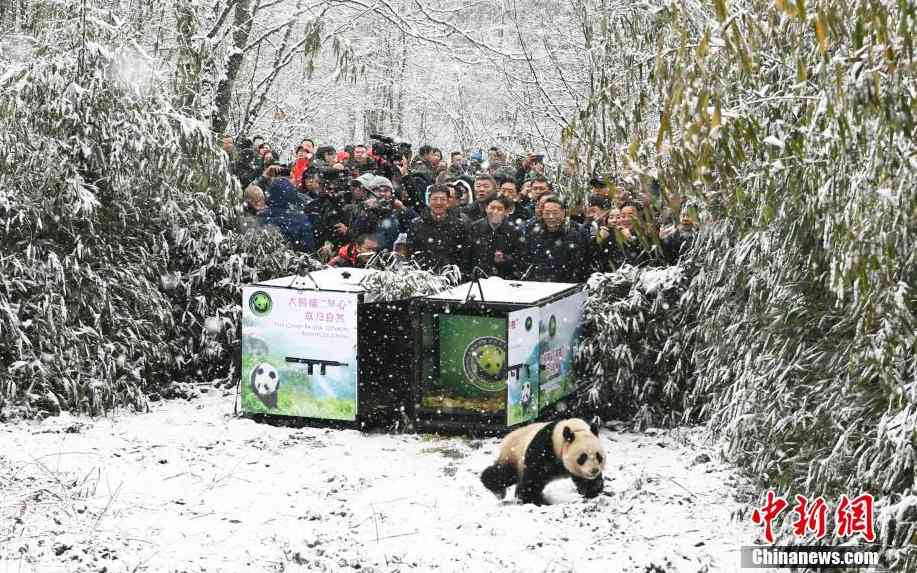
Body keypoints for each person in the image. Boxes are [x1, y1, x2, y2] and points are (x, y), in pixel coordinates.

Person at [519, 196, 591, 283]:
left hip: (565, 285)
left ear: (563, 212)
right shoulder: (533, 230)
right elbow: (525, 258)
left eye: (555, 213)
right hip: (536, 282)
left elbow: (581, 264)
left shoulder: (576, 233)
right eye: (547, 213)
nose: (551, 217)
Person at [406, 184, 468, 273]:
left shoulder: (459, 225)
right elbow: (412, 253)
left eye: (442, 199)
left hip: (451, 275)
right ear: (429, 201)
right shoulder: (416, 225)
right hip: (424, 275)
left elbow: (463, 254)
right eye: (434, 199)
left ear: (448, 202)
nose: (438, 202)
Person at [466, 195, 522, 279]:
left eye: (500, 209)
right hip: (479, 277)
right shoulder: (474, 228)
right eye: (492, 208)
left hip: (505, 278)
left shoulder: (513, 231)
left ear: (506, 211)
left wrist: (505, 258)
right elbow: (467, 255)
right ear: (486, 208)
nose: (495, 212)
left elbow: (520, 257)